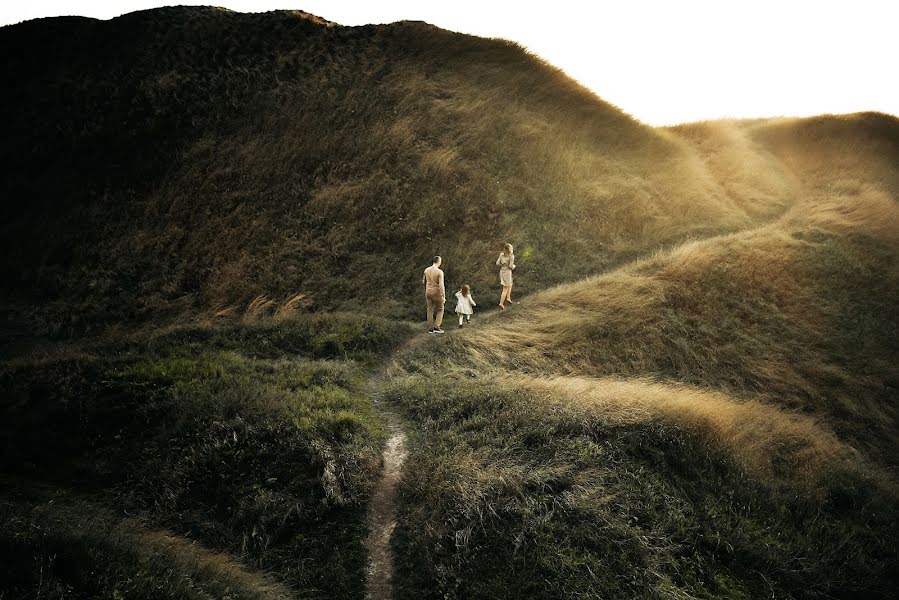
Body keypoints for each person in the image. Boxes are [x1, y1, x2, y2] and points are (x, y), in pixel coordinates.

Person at [422, 255, 446, 334]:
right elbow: (441, 285)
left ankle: (430, 328)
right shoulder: (439, 272)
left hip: (428, 291)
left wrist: (426, 289)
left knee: (430, 309)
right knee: (440, 309)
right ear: (439, 261)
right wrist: (443, 296)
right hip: (436, 292)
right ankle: (437, 326)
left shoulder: (426, 270)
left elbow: (423, 282)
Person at [496, 242, 515, 309]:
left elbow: (497, 263)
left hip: (502, 271)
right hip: (507, 272)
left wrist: (503, 265)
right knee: (505, 288)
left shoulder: (501, 255)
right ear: (510, 249)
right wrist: (514, 266)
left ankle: (508, 298)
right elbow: (510, 266)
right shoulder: (511, 256)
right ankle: (501, 303)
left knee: (510, 284)